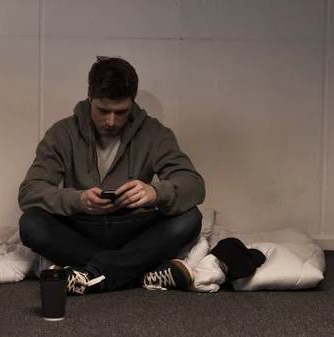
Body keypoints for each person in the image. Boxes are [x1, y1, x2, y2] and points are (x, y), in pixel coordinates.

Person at [17, 56, 206, 295]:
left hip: (132, 229)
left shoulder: (154, 133)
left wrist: (156, 193)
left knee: (190, 219)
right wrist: (79, 199)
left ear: (132, 103)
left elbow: (195, 185)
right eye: (103, 110)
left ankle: (93, 273)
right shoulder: (62, 132)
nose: (111, 121)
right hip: (81, 227)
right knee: (32, 223)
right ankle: (134, 272)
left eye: (121, 112)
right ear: (90, 98)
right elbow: (29, 192)